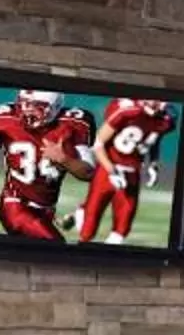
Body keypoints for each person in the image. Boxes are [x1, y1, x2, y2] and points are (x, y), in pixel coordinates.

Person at [0, 92, 95, 241]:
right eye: (24, 103)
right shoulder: (6, 119)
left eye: (37, 106)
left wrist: (64, 159)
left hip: (46, 211)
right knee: (57, 249)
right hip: (15, 206)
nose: (27, 110)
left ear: (54, 108)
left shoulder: (73, 125)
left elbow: (88, 173)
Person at [71, 96, 177, 243]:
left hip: (132, 171)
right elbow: (98, 143)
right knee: (88, 229)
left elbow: (153, 139)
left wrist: (153, 164)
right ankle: (82, 212)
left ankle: (107, 261)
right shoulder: (126, 111)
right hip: (108, 167)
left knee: (122, 228)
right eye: (156, 100)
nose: (160, 104)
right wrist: (111, 170)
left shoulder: (166, 119)